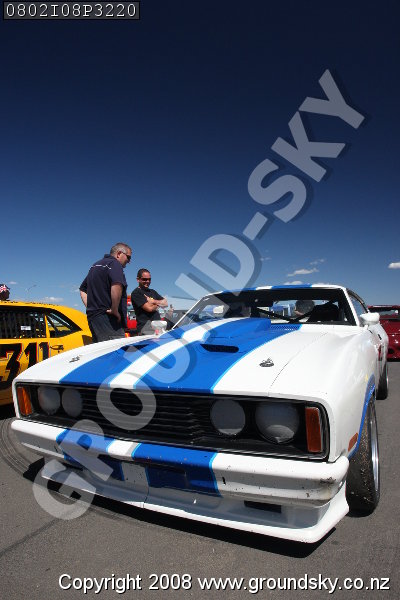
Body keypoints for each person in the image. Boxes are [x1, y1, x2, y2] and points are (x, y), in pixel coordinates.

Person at [79, 243, 132, 343]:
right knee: (115, 349)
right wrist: (114, 309)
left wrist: (91, 307)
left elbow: (82, 289)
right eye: (128, 257)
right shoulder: (114, 264)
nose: (129, 261)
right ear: (119, 254)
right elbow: (117, 284)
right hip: (109, 319)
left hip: (94, 319)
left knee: (102, 350)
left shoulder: (95, 266)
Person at [131, 268, 168, 335]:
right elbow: (149, 308)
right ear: (138, 279)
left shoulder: (153, 291)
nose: (147, 281)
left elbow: (166, 303)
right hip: (145, 330)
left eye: (149, 279)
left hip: (158, 328)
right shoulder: (136, 293)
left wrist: (153, 301)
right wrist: (159, 304)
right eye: (145, 279)